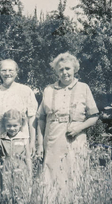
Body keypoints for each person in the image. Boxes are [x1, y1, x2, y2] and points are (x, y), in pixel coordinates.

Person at [36, 52, 99, 199]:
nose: (64, 72)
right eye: (61, 70)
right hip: (53, 140)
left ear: (74, 69)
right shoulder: (48, 90)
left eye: (67, 69)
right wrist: (40, 145)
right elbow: (41, 119)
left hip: (75, 140)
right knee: (52, 175)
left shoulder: (84, 88)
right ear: (57, 72)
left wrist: (79, 128)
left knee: (75, 173)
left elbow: (94, 116)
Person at [0, 59, 38, 203]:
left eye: (11, 70)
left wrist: (32, 142)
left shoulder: (25, 91)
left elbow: (32, 118)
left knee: (21, 179)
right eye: (4, 70)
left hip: (20, 145)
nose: (7, 73)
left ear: (16, 72)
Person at [0, 109, 32, 203]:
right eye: (9, 126)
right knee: (8, 195)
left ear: (20, 124)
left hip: (21, 170)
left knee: (21, 195)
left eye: (15, 125)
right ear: (5, 125)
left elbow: (28, 158)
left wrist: (30, 173)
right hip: (6, 171)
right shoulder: (2, 140)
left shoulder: (24, 138)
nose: (12, 128)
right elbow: (0, 158)